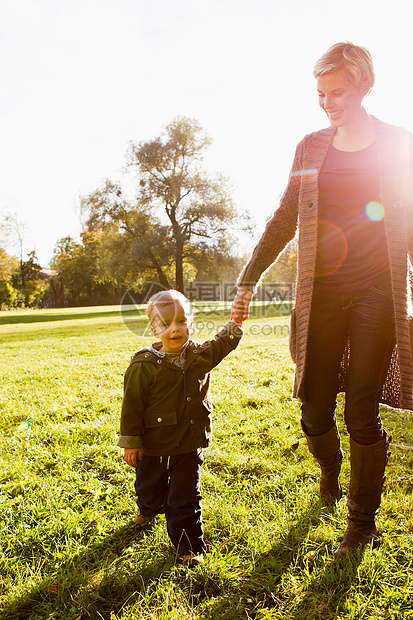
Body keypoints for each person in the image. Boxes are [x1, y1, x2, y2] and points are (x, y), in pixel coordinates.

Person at [232, 42, 413, 558]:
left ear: (364, 87)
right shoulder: (311, 148)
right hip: (323, 294)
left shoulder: (400, 144)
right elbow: (284, 217)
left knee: (360, 409)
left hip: (378, 294)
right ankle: (331, 473)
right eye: (320, 93)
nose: (327, 101)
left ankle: (361, 522)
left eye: (337, 91)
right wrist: (247, 280)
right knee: (313, 407)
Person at [118, 289, 243, 566]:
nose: (174, 330)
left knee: (185, 496)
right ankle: (148, 509)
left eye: (181, 322)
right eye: (165, 324)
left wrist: (236, 322)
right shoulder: (143, 365)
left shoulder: (200, 354)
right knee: (150, 486)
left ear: (190, 322)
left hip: (189, 442)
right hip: (154, 445)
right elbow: (132, 406)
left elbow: (224, 344)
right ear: (154, 328)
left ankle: (188, 547)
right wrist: (131, 441)